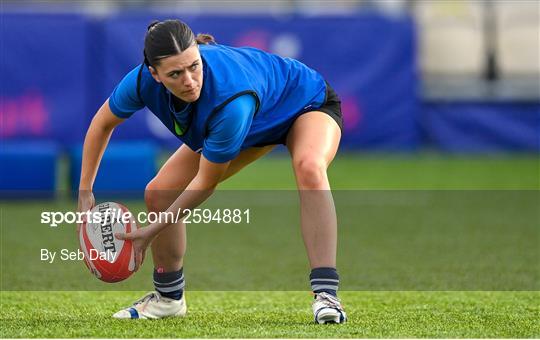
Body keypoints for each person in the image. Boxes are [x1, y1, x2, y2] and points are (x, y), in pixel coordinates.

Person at [78, 19, 346, 324]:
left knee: (309, 167)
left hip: (305, 103)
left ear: (199, 53)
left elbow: (205, 183)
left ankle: (327, 296)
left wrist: (150, 232)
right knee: (159, 192)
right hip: (253, 121)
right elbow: (101, 124)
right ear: (154, 74)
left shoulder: (230, 102)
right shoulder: (141, 82)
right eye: (175, 74)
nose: (189, 80)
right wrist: (85, 194)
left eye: (194, 66)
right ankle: (168, 299)